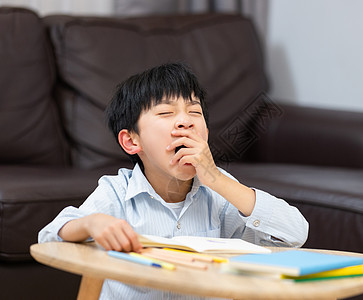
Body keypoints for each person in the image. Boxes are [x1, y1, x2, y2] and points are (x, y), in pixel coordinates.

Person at [39, 63, 309, 299]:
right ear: (131, 141)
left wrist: (217, 180)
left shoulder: (221, 192)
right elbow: (49, 237)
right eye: (166, 113)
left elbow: (296, 234)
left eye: (195, 112)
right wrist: (90, 222)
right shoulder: (116, 192)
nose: (185, 122)